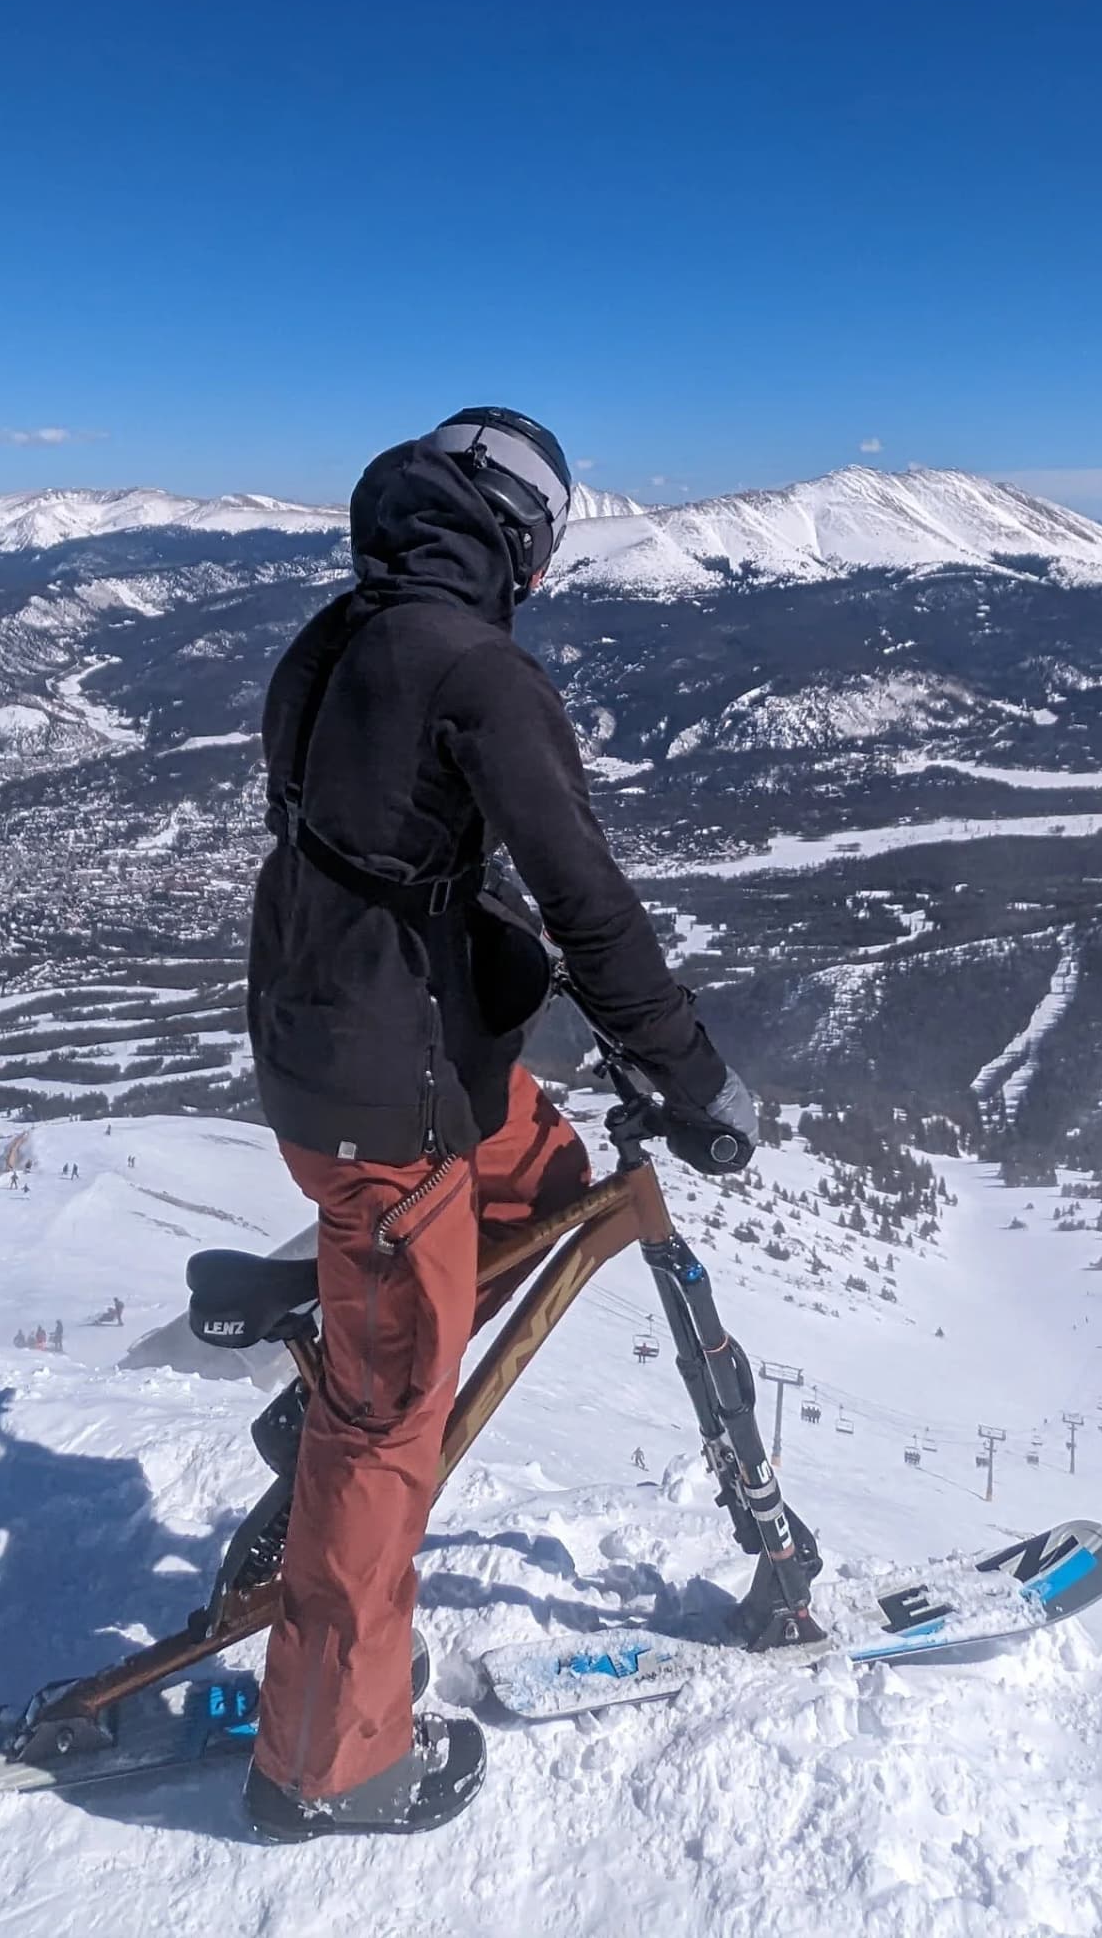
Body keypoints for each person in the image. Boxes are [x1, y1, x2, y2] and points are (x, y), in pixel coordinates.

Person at [239, 406, 754, 1841]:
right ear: (519, 539)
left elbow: (377, 852)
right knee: (390, 1426)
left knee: (547, 1174)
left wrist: (493, 983)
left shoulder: (338, 636)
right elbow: (587, 891)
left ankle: (346, 1382)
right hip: (381, 1108)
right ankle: (327, 1767)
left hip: (360, 1053)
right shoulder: (478, 668)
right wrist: (687, 1068)